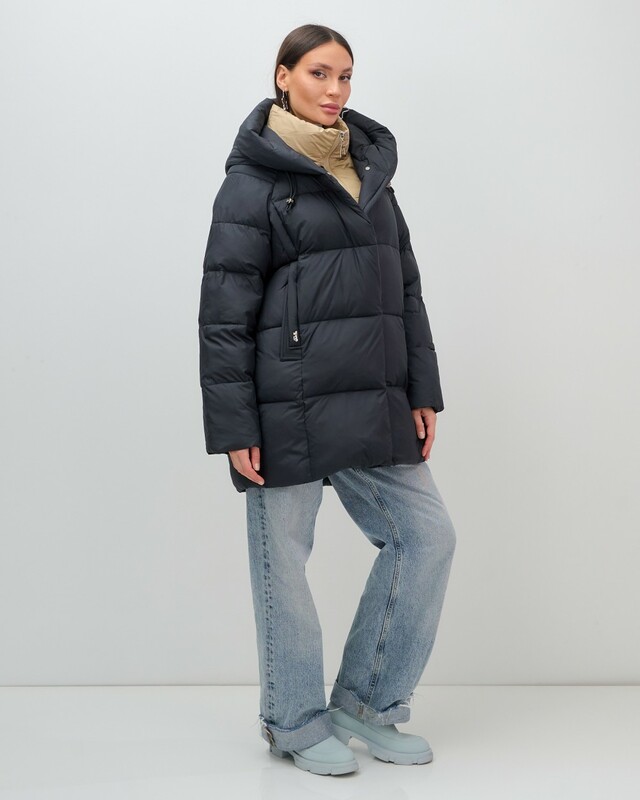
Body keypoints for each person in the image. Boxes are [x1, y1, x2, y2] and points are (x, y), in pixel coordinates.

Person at [198, 23, 457, 776]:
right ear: (283, 76)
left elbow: (405, 288)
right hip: (286, 404)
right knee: (283, 566)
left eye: (345, 75)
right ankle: (293, 720)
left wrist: (422, 389)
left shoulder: (369, 169)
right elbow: (224, 315)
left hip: (375, 394)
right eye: (319, 73)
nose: (336, 90)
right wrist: (234, 426)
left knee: (428, 537)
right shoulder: (253, 183)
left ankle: (367, 704)